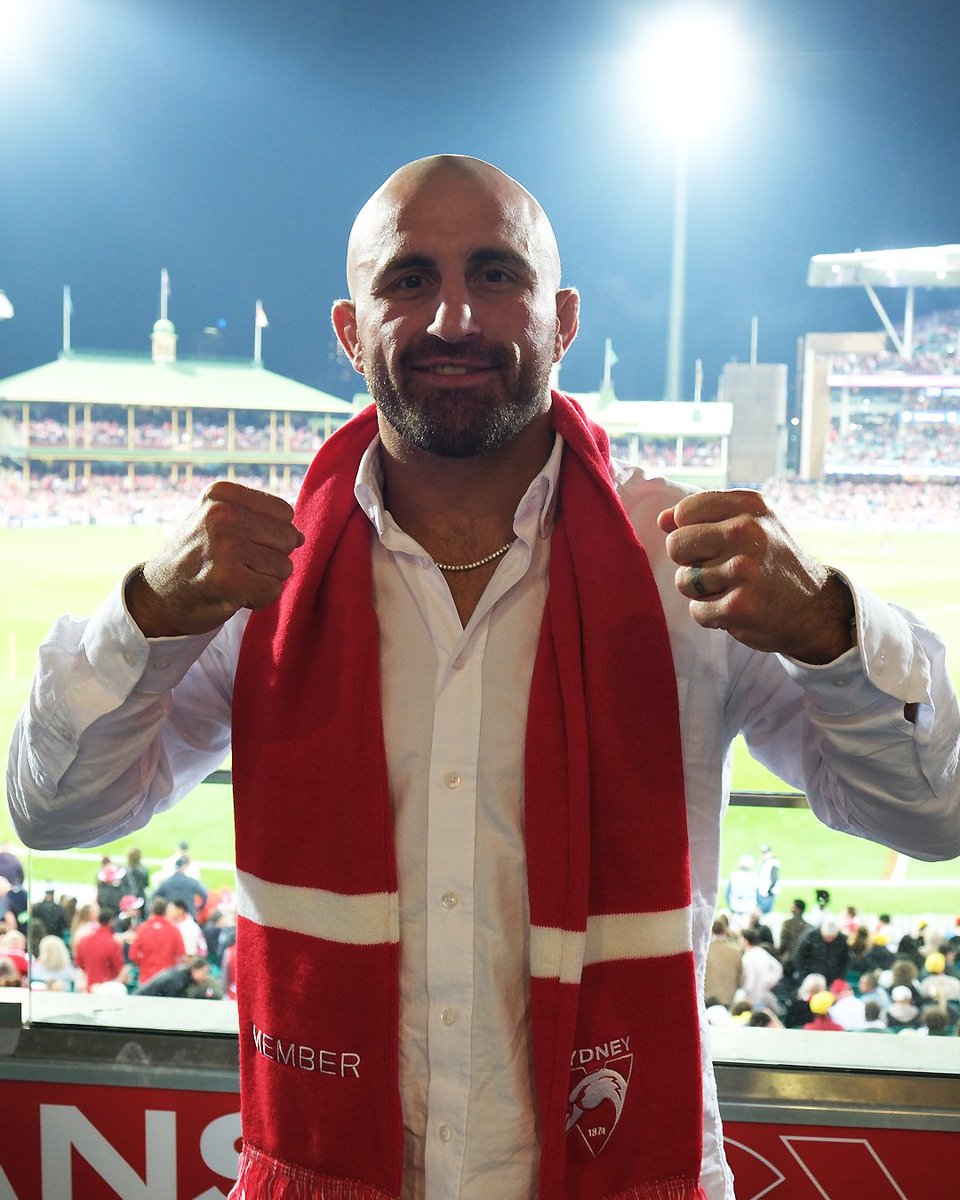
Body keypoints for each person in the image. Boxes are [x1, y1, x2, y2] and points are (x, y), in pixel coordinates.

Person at [6, 154, 960, 1200]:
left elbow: (936, 815)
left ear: (563, 320)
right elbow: (53, 812)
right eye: (409, 279)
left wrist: (831, 625)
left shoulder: (681, 556)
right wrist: (140, 613)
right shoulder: (259, 572)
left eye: (496, 276)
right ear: (348, 330)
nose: (454, 315)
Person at [128, 897, 186, 985]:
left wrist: (143, 965)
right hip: (167, 979)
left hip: (147, 978)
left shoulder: (143, 929)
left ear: (151, 910)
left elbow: (133, 955)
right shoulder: (173, 930)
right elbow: (181, 954)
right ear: (165, 911)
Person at [73, 909, 125, 993]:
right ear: (111, 921)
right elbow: (118, 967)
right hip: (106, 987)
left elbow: (78, 961)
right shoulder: (113, 943)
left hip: (88, 985)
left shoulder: (84, 940)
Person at [135, 955, 219, 1000]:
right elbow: (171, 1004)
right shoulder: (179, 981)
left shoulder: (182, 976)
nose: (205, 977)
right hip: (141, 1001)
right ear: (194, 969)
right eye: (204, 972)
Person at [725, 855, 758, 922]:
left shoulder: (733, 875)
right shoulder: (754, 877)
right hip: (749, 908)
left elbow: (727, 894)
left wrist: (730, 904)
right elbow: (758, 894)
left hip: (735, 907)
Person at [755, 845, 780, 914]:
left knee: (765, 913)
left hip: (767, 894)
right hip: (761, 892)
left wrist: (769, 891)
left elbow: (774, 878)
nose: (763, 855)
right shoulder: (763, 862)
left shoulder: (773, 863)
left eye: (765, 853)